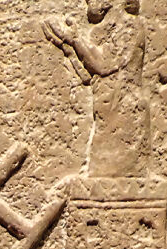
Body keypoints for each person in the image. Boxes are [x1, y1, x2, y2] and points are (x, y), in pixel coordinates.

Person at [43, 0, 149, 178]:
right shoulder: (101, 32)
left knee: (115, 181)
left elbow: (103, 65)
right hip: (105, 116)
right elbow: (88, 77)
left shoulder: (130, 26)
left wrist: (74, 39)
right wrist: (67, 48)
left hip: (124, 117)